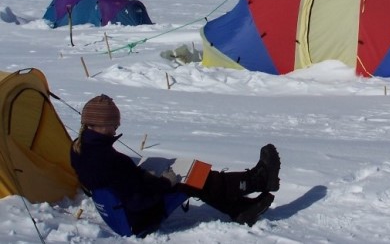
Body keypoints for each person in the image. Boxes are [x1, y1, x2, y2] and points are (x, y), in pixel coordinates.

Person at [70, 94, 281, 235]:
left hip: (120, 212)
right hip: (138, 220)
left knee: (186, 174)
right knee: (191, 178)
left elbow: (121, 183)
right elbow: (138, 200)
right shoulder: (106, 160)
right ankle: (256, 180)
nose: (117, 128)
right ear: (103, 124)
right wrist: (166, 183)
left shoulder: (80, 148)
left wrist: (146, 176)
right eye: (114, 123)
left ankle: (240, 209)